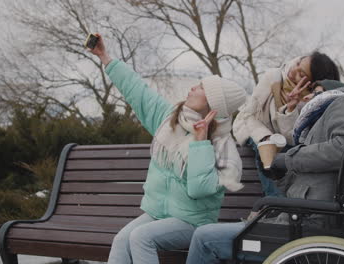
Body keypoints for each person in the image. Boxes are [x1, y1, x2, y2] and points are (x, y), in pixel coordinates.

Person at [88, 34, 247, 264]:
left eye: (201, 87)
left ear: (213, 104)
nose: (193, 87)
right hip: (158, 213)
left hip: (192, 222)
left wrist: (201, 143)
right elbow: (138, 91)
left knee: (141, 237)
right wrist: (105, 57)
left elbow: (199, 189)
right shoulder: (171, 119)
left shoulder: (223, 148)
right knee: (122, 239)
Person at [186, 79, 344, 264]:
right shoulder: (317, 126)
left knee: (204, 238)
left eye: (316, 91)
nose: (308, 96)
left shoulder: (343, 101)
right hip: (301, 219)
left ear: (334, 91)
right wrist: (275, 171)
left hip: (307, 225)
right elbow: (303, 184)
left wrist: (288, 158)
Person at [232, 52, 340, 197]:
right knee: (268, 149)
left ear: (313, 84)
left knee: (292, 154)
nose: (293, 70)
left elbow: (293, 139)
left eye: (301, 74)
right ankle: (274, 202)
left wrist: (291, 109)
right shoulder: (273, 78)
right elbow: (249, 116)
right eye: (297, 63)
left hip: (283, 143)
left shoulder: (312, 102)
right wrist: (265, 137)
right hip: (251, 126)